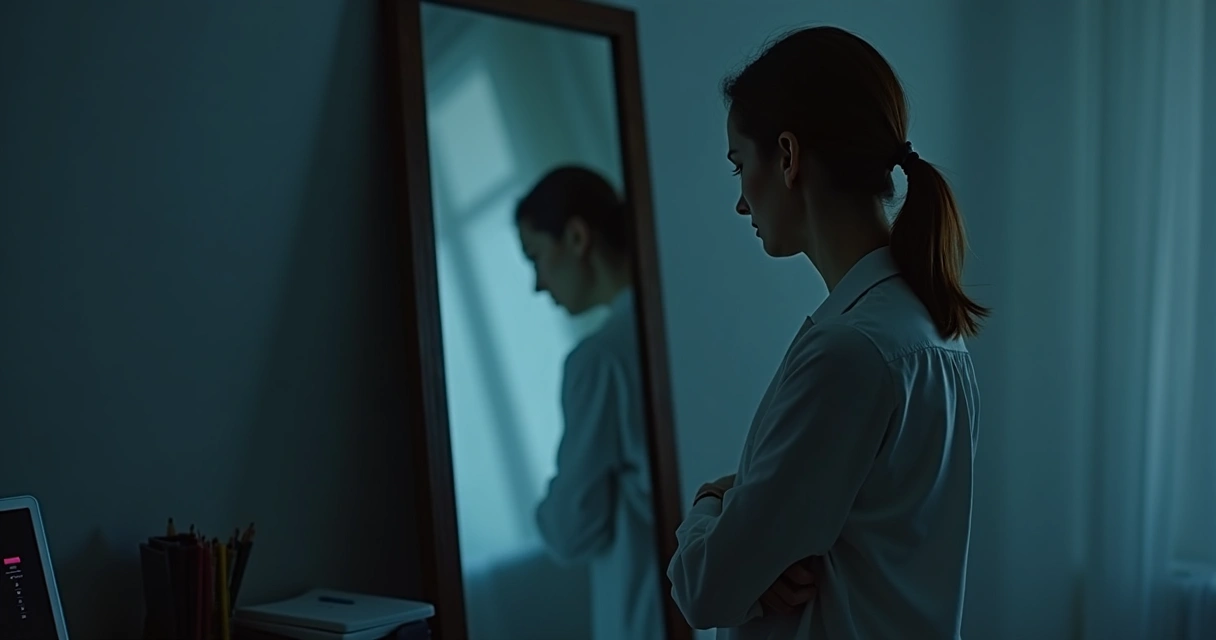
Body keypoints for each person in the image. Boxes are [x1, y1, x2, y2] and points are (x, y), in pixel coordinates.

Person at [667, 26, 987, 640]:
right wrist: (753, 536)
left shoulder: (850, 350)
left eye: (739, 166)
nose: (740, 203)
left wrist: (711, 501)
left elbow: (705, 589)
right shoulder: (930, 329)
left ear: (787, 157)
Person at [518, 166, 663, 640]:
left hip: (646, 614)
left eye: (536, 256)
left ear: (577, 237)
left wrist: (547, 510)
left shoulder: (599, 361)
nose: (537, 284)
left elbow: (569, 531)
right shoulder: (680, 324)